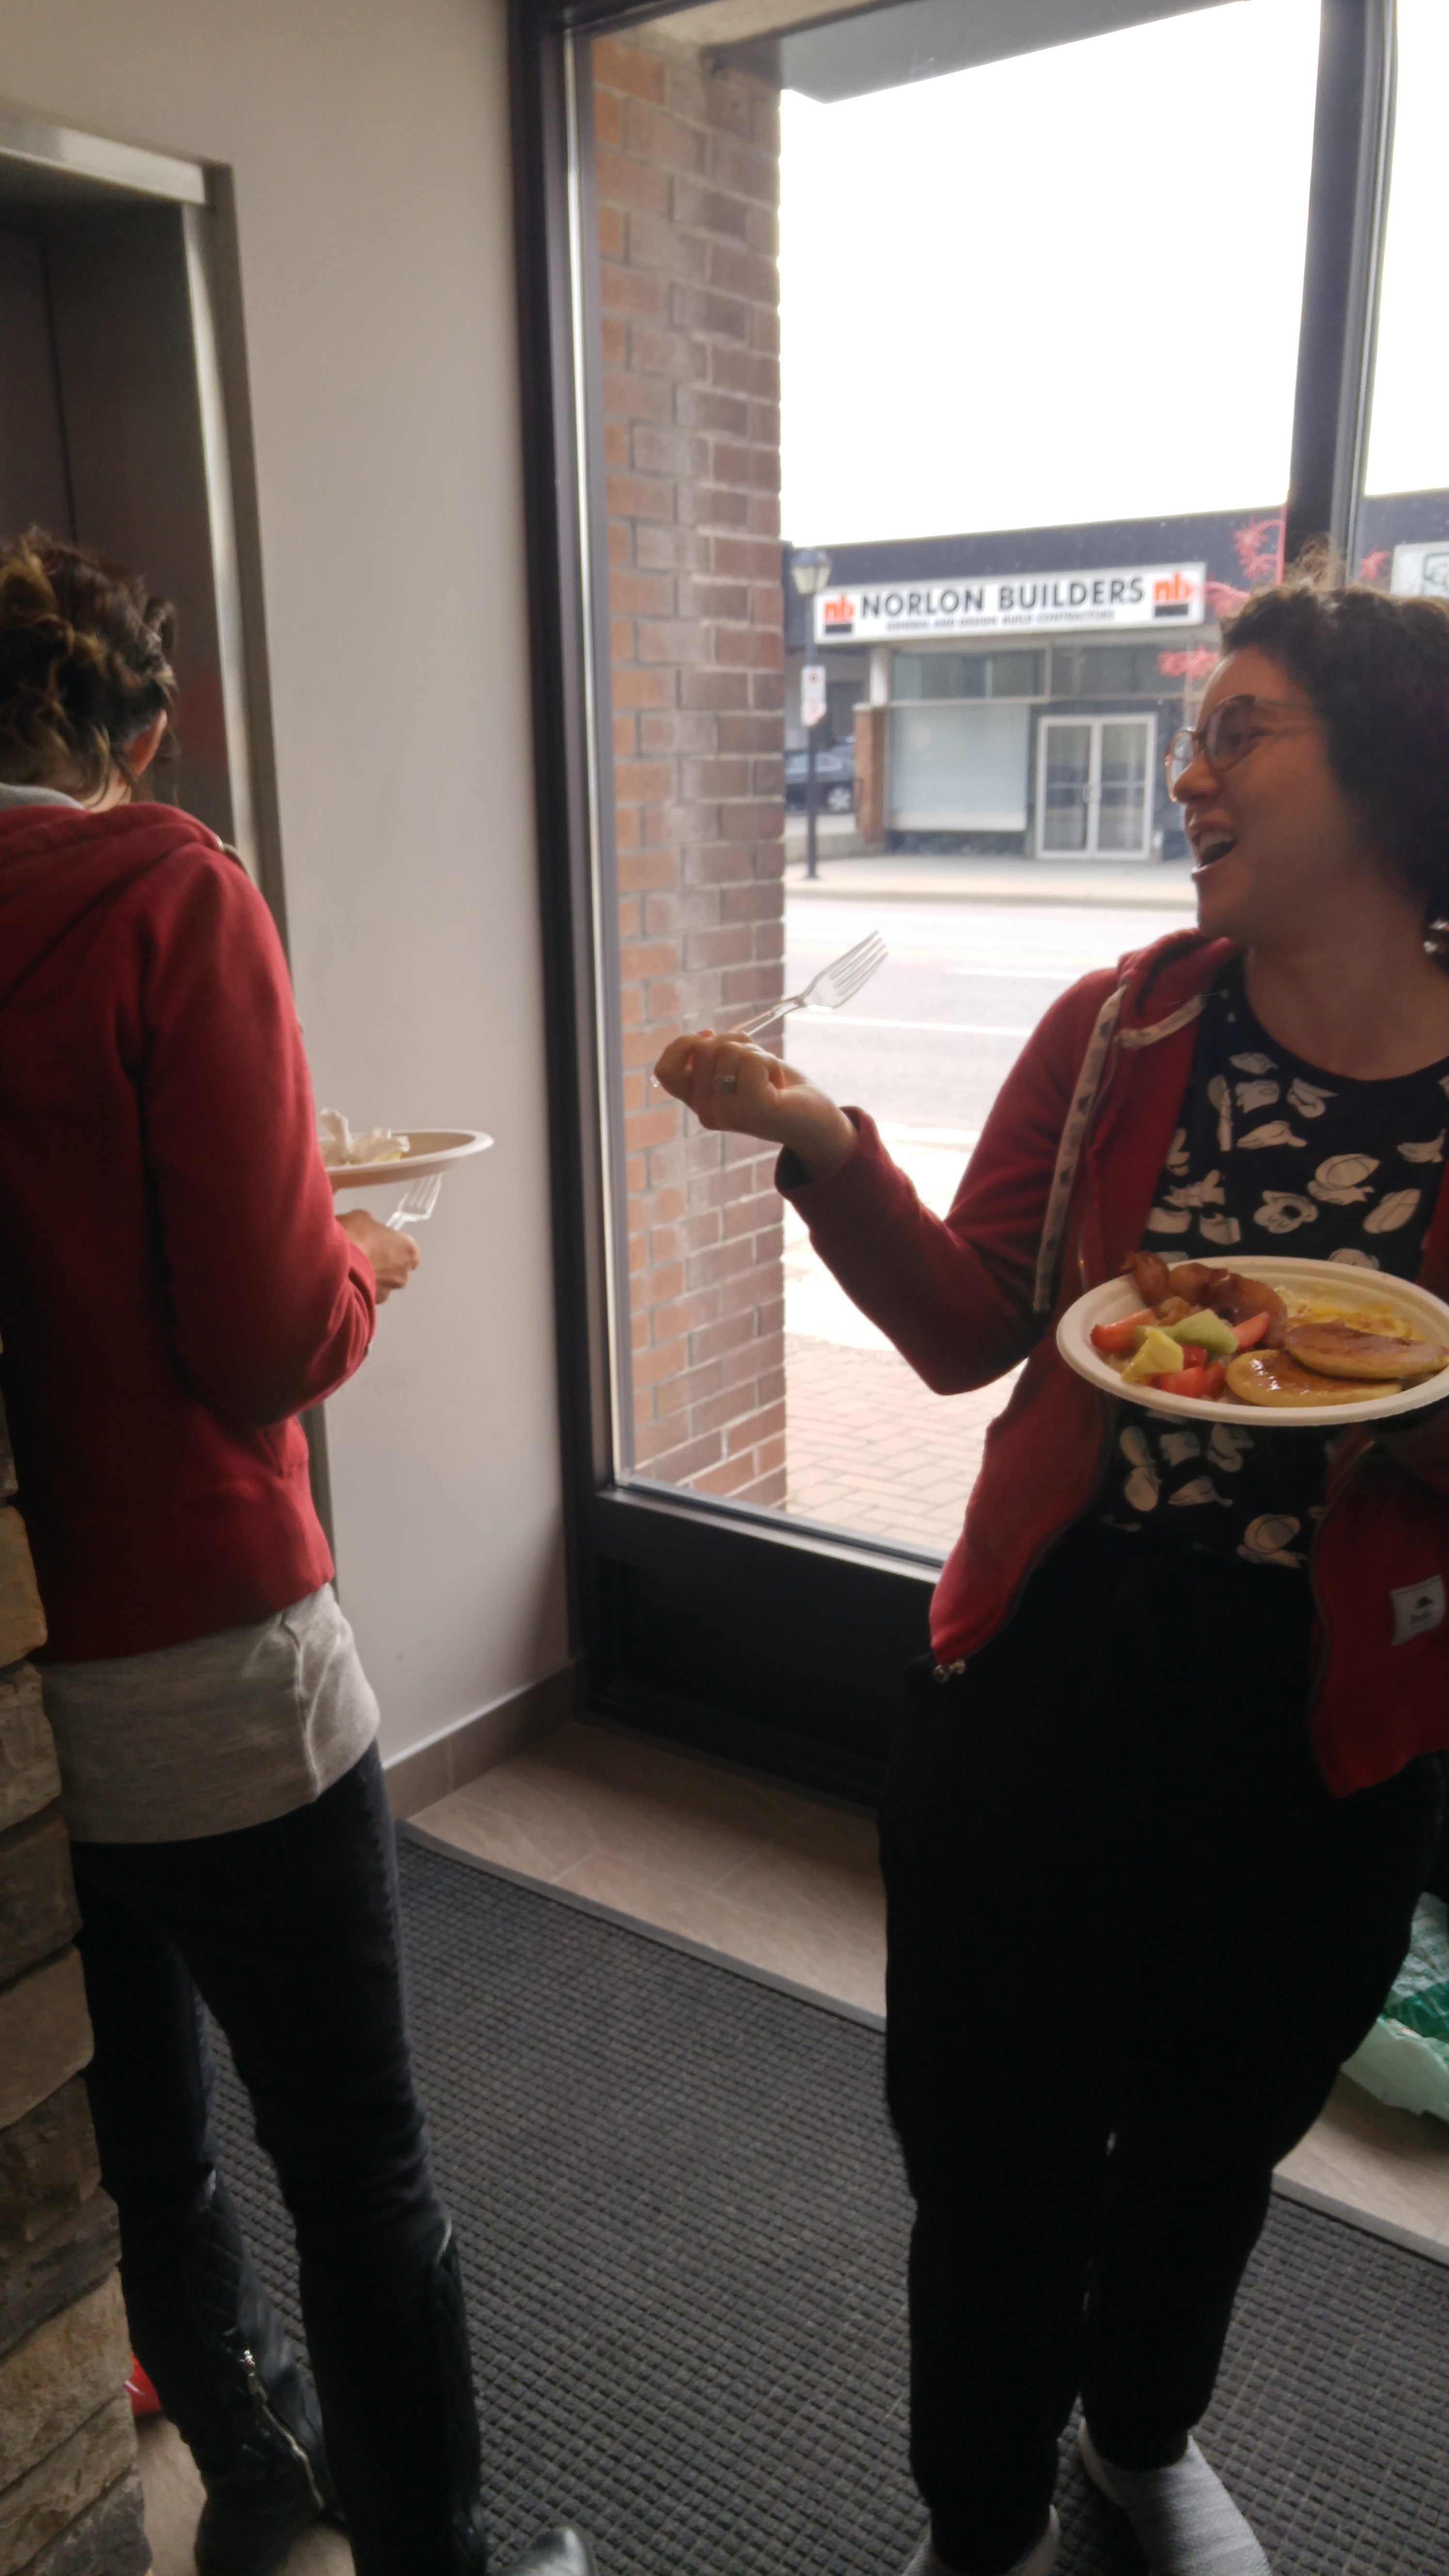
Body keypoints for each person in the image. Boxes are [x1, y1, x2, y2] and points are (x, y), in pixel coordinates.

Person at [655, 564, 1449, 2576]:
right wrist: (827, 1141)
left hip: (1333, 1689)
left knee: (1219, 2126)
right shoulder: (1125, 1026)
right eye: (1192, 735)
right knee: (995, 2141)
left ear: (1392, 765)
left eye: (1240, 730)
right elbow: (964, 1325)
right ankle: (980, 2514)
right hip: (1061, 1649)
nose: (1191, 773)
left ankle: (1141, 2430)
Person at [0, 531, 593, 2576]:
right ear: (139, 727)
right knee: (358, 2148)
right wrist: (365, 1261)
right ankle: (437, 2545)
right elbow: (265, 1332)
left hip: (25, 1671)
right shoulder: (169, 886)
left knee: (140, 2112)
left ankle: (250, 2462)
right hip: (208, 1640)